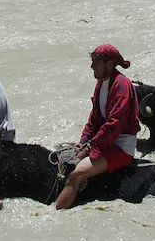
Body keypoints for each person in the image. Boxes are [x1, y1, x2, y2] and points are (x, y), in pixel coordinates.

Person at [55, 44, 140, 210]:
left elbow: (113, 124)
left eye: (96, 62)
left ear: (109, 64)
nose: (92, 66)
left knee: (76, 174)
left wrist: (91, 147)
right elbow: (93, 119)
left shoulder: (121, 85)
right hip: (104, 141)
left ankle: (56, 211)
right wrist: (83, 141)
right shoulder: (101, 83)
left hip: (120, 147)